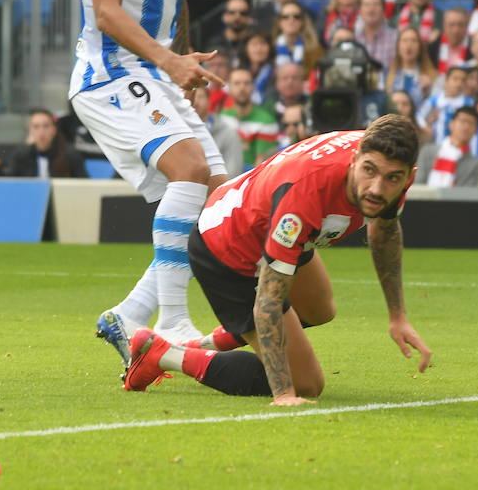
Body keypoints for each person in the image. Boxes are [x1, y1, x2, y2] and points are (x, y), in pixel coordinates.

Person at [122, 116, 431, 404]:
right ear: (354, 160)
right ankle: (161, 354)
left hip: (262, 218)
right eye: (369, 171)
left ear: (409, 177)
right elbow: (268, 300)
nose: (378, 188)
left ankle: (202, 344)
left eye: (392, 178)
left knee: (319, 309)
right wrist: (284, 392)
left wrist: (397, 316)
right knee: (307, 384)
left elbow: (385, 231)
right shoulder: (306, 195)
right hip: (227, 249)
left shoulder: (384, 157)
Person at [71, 0, 227, 362]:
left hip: (154, 71)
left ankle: (127, 317)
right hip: (109, 74)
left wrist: (179, 59)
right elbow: (108, 13)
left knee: (217, 198)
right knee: (188, 172)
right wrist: (169, 61)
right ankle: (175, 322)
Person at [0, 108, 89, 178]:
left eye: (46, 126)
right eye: (36, 127)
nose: (41, 132)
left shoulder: (70, 154)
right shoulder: (22, 155)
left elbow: (83, 185)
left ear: (54, 130)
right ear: (30, 131)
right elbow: (10, 183)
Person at [219, 66, 281, 169]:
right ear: (229, 88)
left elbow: (261, 164)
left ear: (253, 87)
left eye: (247, 83)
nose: (242, 88)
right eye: (237, 83)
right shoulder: (222, 117)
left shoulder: (266, 121)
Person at [416, 104, 478, 187]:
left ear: (475, 130)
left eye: (471, 123)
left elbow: (466, 194)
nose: (466, 126)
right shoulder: (427, 151)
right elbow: (417, 183)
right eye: (462, 121)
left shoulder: (475, 164)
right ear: (451, 124)